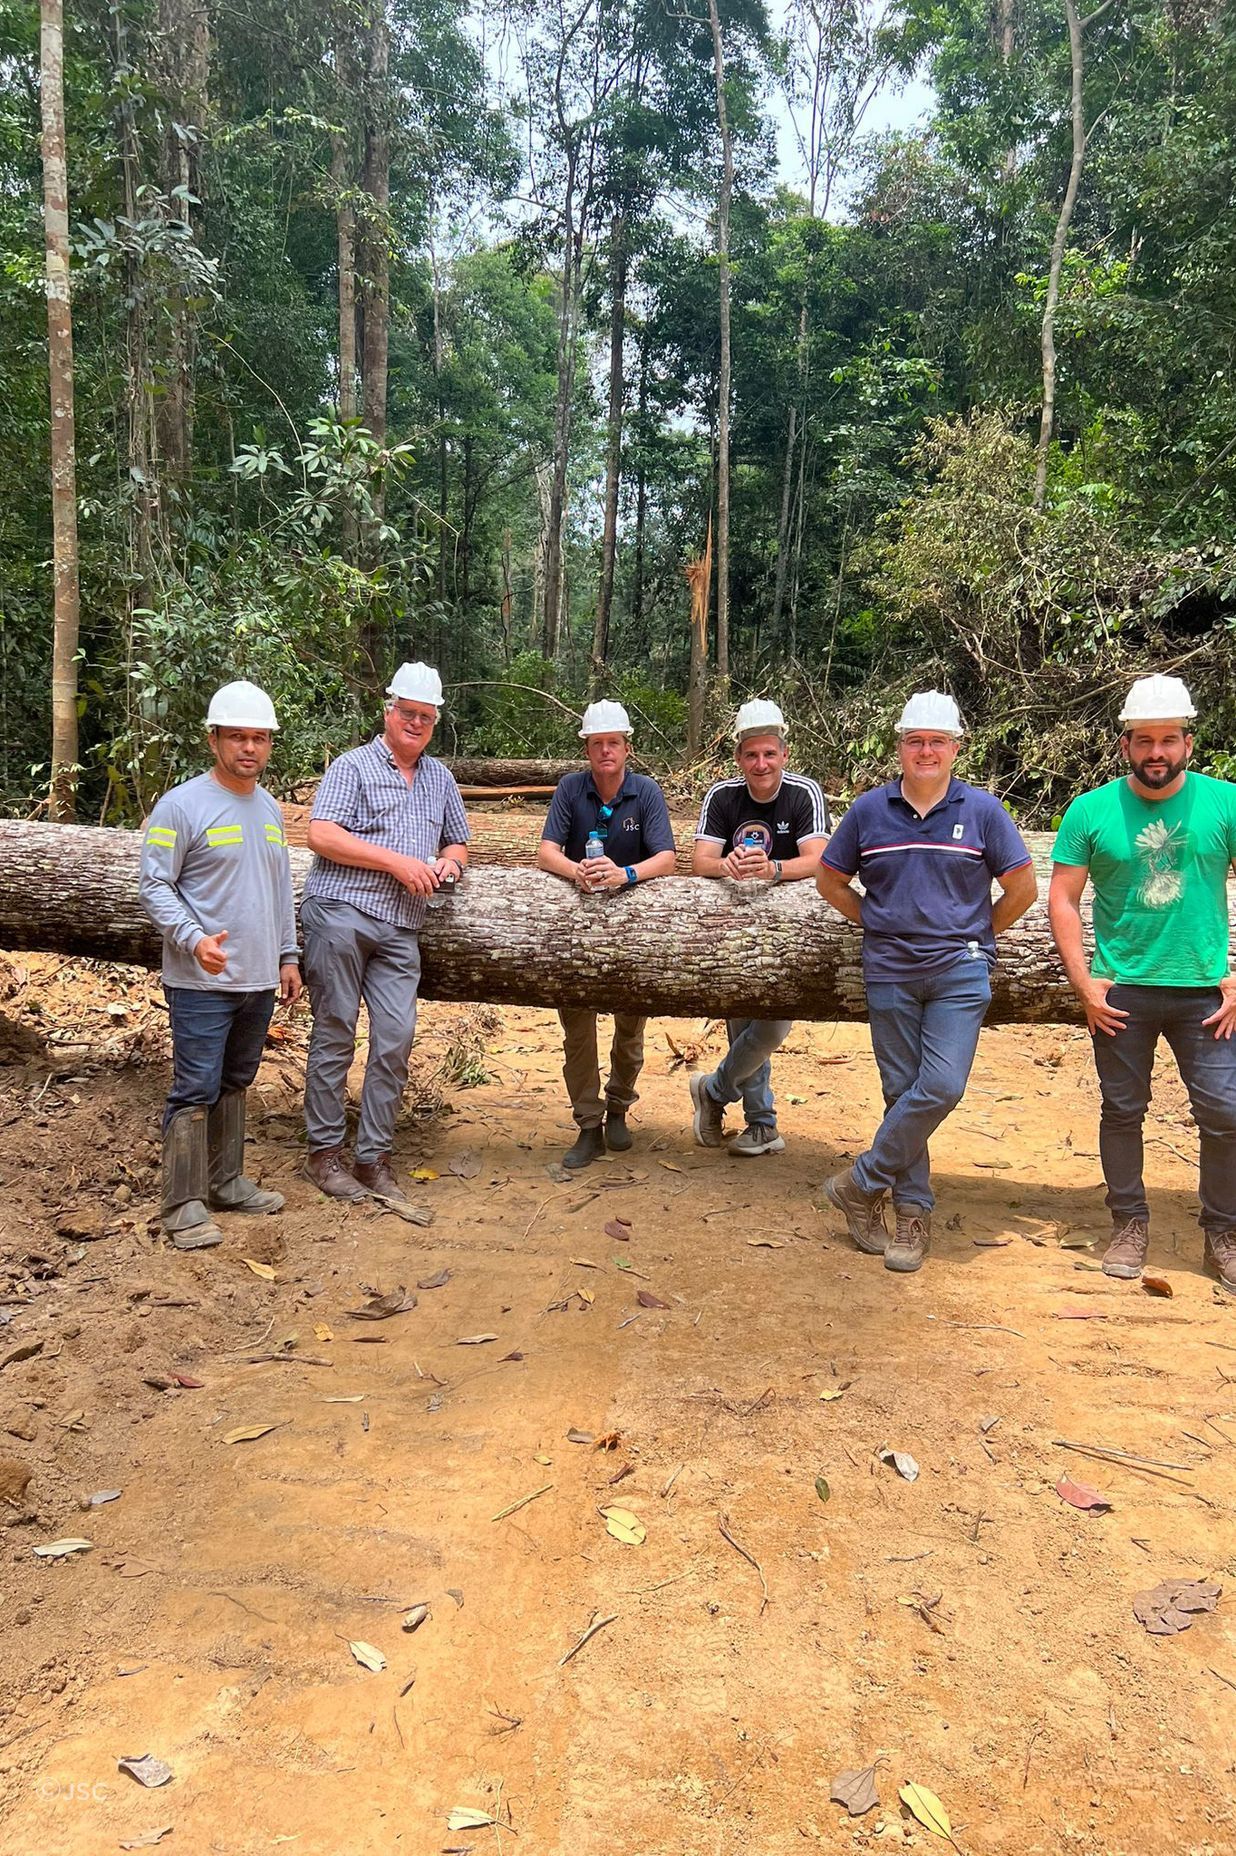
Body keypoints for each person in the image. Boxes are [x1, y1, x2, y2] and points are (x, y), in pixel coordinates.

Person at [816, 691, 1036, 1272]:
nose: (926, 751)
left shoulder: (984, 812)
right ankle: (911, 1213)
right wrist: (876, 920)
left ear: (955, 748)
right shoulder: (868, 811)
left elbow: (1022, 889)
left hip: (960, 972)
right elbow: (831, 880)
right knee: (900, 1091)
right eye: (915, 741)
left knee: (941, 1087)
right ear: (900, 748)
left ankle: (860, 1183)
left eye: (937, 741)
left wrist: (975, 932)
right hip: (889, 970)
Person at [1048, 675, 1236, 1293]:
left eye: (1168, 740)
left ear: (1187, 741)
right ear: (1126, 743)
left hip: (1206, 992)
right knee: (1123, 1110)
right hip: (1122, 991)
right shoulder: (1092, 810)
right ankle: (1129, 1222)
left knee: (1225, 1112)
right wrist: (1084, 984)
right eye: (1144, 740)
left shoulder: (1225, 803)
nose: (1157, 752)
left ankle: (1223, 1233)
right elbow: (1064, 900)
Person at [139, 680, 302, 1251]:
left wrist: (288, 955)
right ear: (214, 740)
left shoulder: (270, 809)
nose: (249, 747)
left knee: (236, 1081)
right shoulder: (181, 805)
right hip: (202, 980)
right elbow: (154, 884)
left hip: (259, 977)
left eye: (259, 737)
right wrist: (192, 938)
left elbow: (281, 892)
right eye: (237, 736)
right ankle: (182, 1204)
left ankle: (226, 1181)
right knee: (195, 1087)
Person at [301, 662, 470, 1203]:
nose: (415, 723)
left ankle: (373, 1157)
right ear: (388, 712)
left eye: (426, 716)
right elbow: (321, 835)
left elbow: (457, 843)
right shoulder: (353, 766)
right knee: (334, 1029)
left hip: (403, 925)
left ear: (434, 721)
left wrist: (450, 865)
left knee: (394, 1038)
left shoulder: (440, 778)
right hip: (341, 911)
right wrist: (396, 862)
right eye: (408, 713)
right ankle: (324, 1154)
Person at [536, 700, 676, 1169]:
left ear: (626, 748)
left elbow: (667, 858)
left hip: (632, 928)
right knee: (577, 1030)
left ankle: (619, 1107)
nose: (605, 751)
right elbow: (545, 852)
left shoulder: (646, 792)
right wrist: (575, 870)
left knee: (630, 1026)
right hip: (575, 929)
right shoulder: (570, 790)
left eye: (612, 743)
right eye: (596, 744)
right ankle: (588, 1124)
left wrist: (627, 875)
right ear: (588, 749)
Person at [688, 699, 830, 1156]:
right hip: (734, 926)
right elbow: (699, 861)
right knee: (743, 1025)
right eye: (752, 755)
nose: (761, 763)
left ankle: (713, 1090)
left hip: (789, 931)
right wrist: (725, 865)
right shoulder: (722, 797)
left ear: (784, 755)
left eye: (769, 754)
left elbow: (819, 861)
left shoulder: (803, 793)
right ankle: (762, 1124)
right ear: (739, 758)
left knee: (769, 1030)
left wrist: (772, 869)